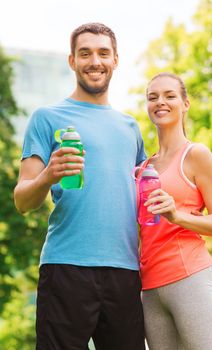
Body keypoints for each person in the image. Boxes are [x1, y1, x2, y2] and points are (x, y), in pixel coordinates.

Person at [14, 23, 146, 350]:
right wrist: (47, 176)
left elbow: (144, 199)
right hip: (66, 267)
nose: (94, 61)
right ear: (72, 61)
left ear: (116, 60)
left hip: (126, 271)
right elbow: (22, 200)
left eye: (103, 53)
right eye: (85, 53)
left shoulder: (131, 127)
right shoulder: (47, 118)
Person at [137, 72, 212, 350]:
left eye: (169, 96)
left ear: (185, 103)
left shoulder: (196, 155)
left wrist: (176, 215)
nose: (160, 102)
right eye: (153, 97)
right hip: (150, 288)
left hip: (190, 277)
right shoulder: (143, 167)